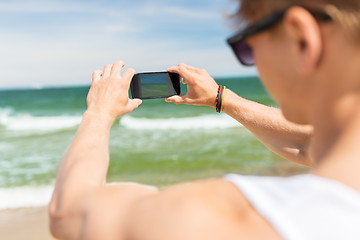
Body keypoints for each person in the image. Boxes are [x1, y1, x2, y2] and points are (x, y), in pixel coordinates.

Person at [49, 0, 360, 239]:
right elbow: (307, 145)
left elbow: (68, 212)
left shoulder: (222, 218)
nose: (252, 63)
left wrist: (99, 112)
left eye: (246, 47)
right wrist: (220, 98)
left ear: (301, 40)